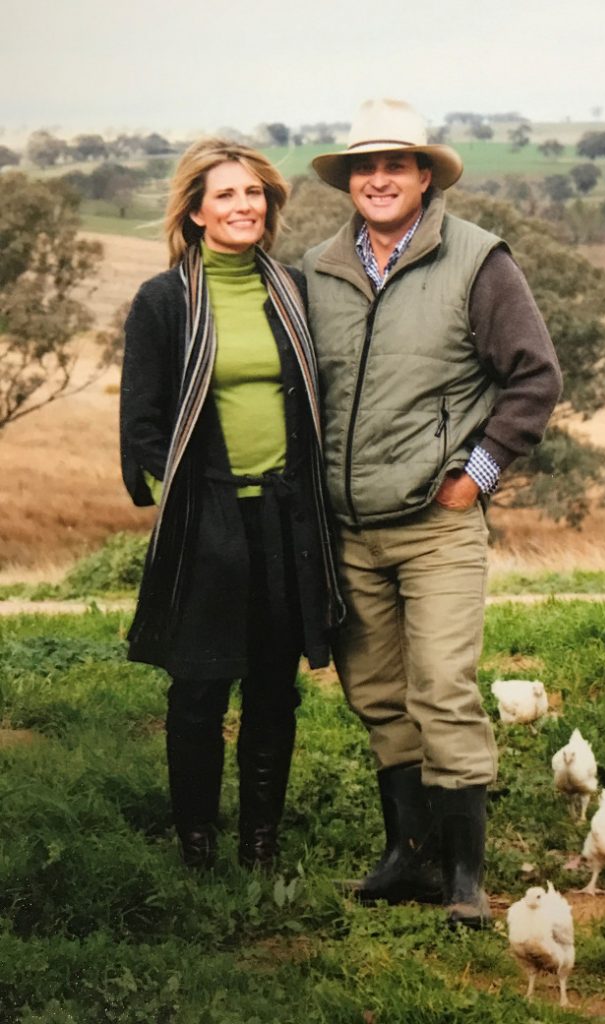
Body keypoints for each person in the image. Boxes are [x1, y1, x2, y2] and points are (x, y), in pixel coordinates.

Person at [303, 98, 562, 928]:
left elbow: (536, 376)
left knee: (443, 689)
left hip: (437, 524)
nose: (378, 179)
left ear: (423, 176)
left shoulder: (478, 261)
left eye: (395, 166)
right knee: (378, 695)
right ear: (349, 182)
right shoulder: (315, 271)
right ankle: (406, 859)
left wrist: (475, 477)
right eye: (363, 168)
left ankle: (463, 879)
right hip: (345, 529)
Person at [120, 139, 344, 872]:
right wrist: (186, 497)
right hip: (206, 522)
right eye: (226, 195)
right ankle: (196, 843)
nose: (244, 206)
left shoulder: (291, 289)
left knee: (273, 689)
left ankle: (260, 841)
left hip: (284, 517)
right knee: (199, 687)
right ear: (193, 212)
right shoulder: (164, 301)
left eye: (254, 194)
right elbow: (145, 425)